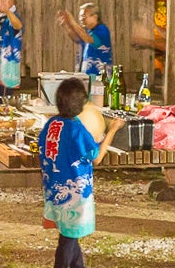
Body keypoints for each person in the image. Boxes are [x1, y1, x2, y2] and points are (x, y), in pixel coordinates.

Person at [40, 77, 125, 268]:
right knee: (68, 240)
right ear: (81, 105)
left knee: (69, 235)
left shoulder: (51, 123)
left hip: (54, 188)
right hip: (74, 194)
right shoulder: (77, 130)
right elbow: (96, 157)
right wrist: (112, 130)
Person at [56, 3, 112, 78]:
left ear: (95, 17)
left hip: (100, 77)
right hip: (88, 76)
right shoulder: (89, 32)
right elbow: (77, 38)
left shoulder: (102, 30)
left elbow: (88, 39)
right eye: (80, 16)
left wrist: (72, 21)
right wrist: (66, 25)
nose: (81, 19)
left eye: (84, 16)